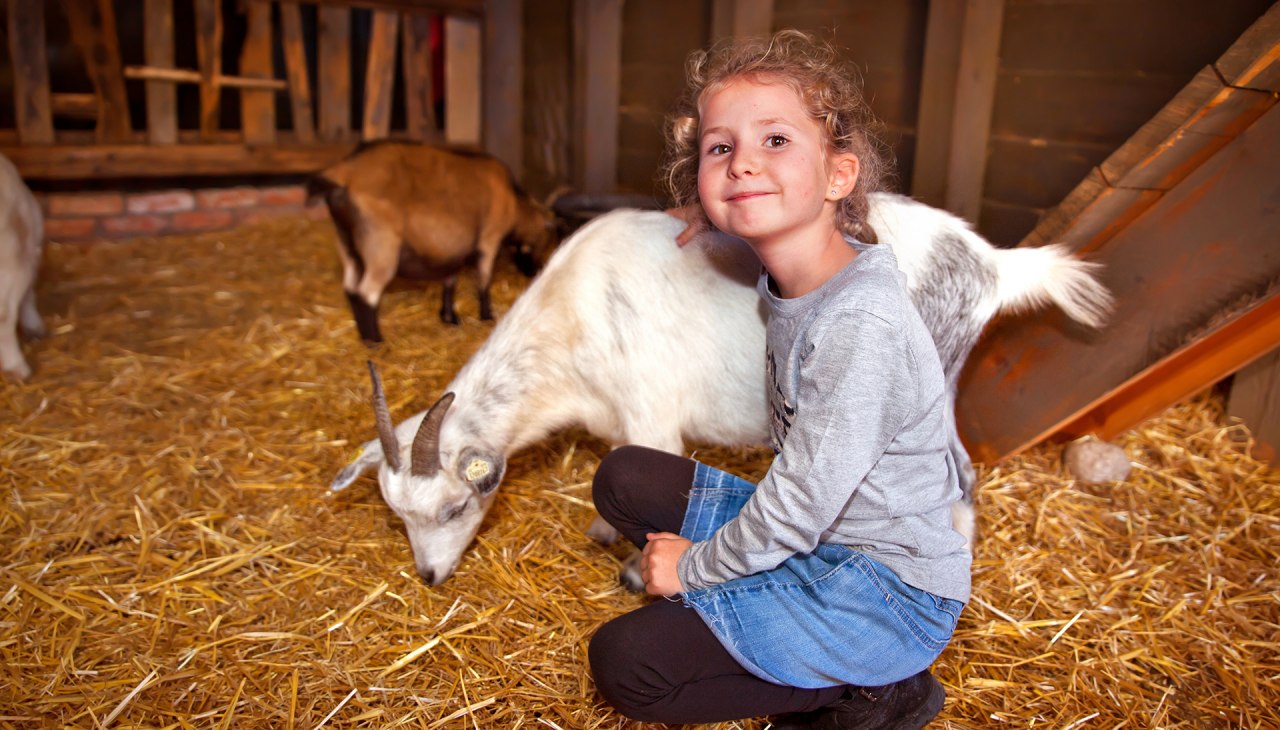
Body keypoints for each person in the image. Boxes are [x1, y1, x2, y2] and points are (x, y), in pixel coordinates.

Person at [586, 29, 971, 729]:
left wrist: (696, 568)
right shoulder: (804, 274)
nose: (742, 164)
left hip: (885, 593)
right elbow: (802, 502)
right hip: (820, 537)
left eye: (775, 142)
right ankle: (769, 617)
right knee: (623, 478)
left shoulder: (862, 325)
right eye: (719, 148)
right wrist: (710, 216)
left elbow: (797, 504)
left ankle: (872, 693)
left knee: (625, 664)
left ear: (839, 177)